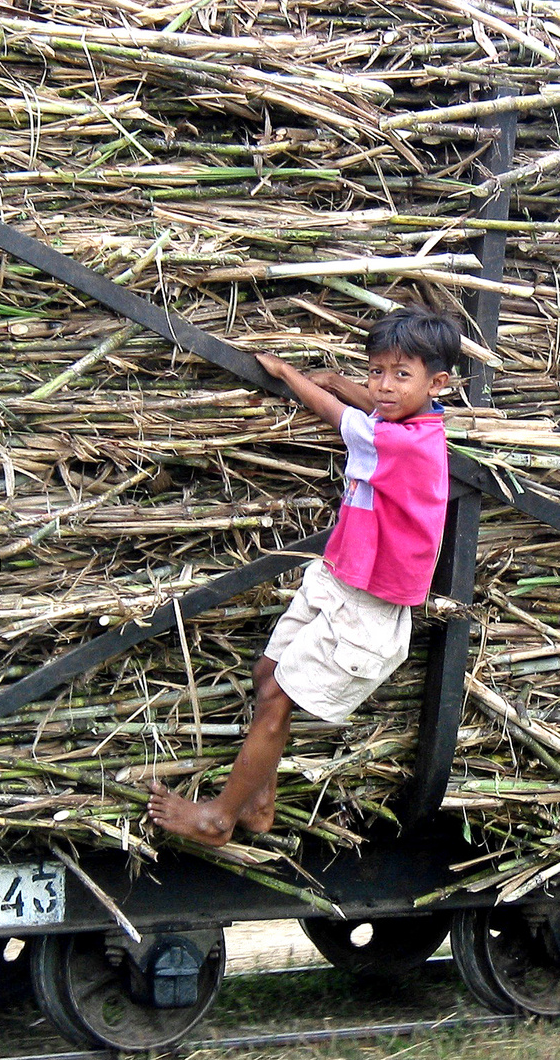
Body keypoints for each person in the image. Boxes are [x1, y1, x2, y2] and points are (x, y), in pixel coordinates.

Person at [148, 305, 460, 846]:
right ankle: (259, 805)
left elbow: (341, 418)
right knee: (266, 673)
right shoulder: (407, 418)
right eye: (376, 371)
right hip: (340, 577)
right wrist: (343, 378)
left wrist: (289, 376)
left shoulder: (405, 443)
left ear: (438, 384)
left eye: (400, 375)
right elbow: (378, 406)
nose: (384, 386)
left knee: (276, 702)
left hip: (371, 605)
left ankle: (218, 818)